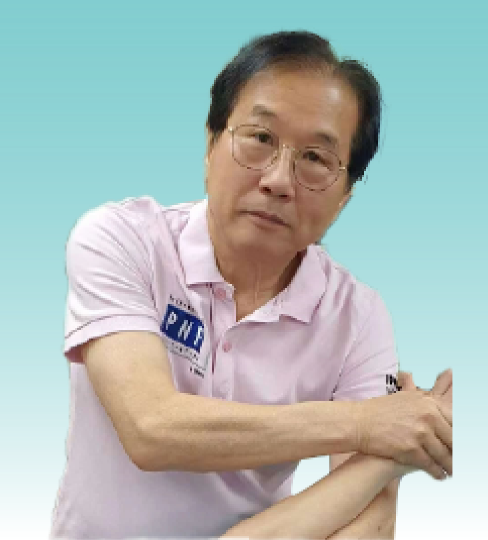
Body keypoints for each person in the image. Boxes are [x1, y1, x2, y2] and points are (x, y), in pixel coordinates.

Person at [50, 30, 453, 539]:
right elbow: (150, 428)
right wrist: (366, 425)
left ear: (345, 198)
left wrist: (388, 455)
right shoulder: (121, 240)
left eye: (315, 158)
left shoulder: (359, 316)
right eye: (260, 139)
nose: (278, 180)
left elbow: (370, 521)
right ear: (210, 144)